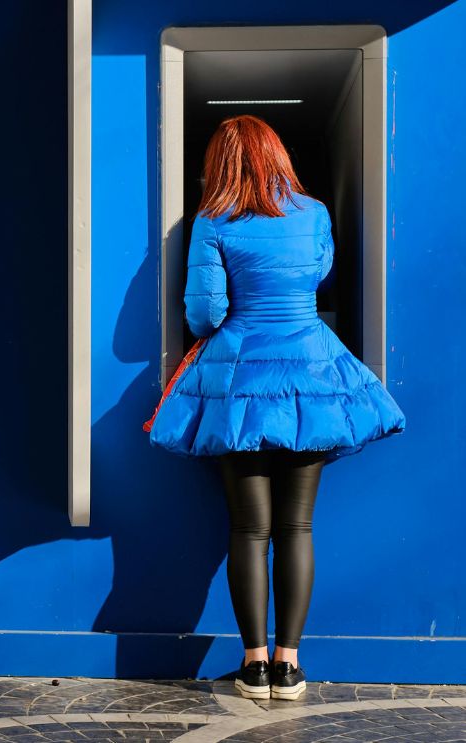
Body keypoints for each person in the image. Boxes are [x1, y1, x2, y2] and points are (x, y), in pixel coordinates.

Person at [147, 115, 406, 701]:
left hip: (240, 380)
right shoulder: (313, 214)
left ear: (220, 163)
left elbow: (205, 314)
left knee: (248, 527)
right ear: (278, 156)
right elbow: (319, 275)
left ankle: (254, 664)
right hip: (312, 371)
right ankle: (290, 667)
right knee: (298, 526)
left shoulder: (213, 220)